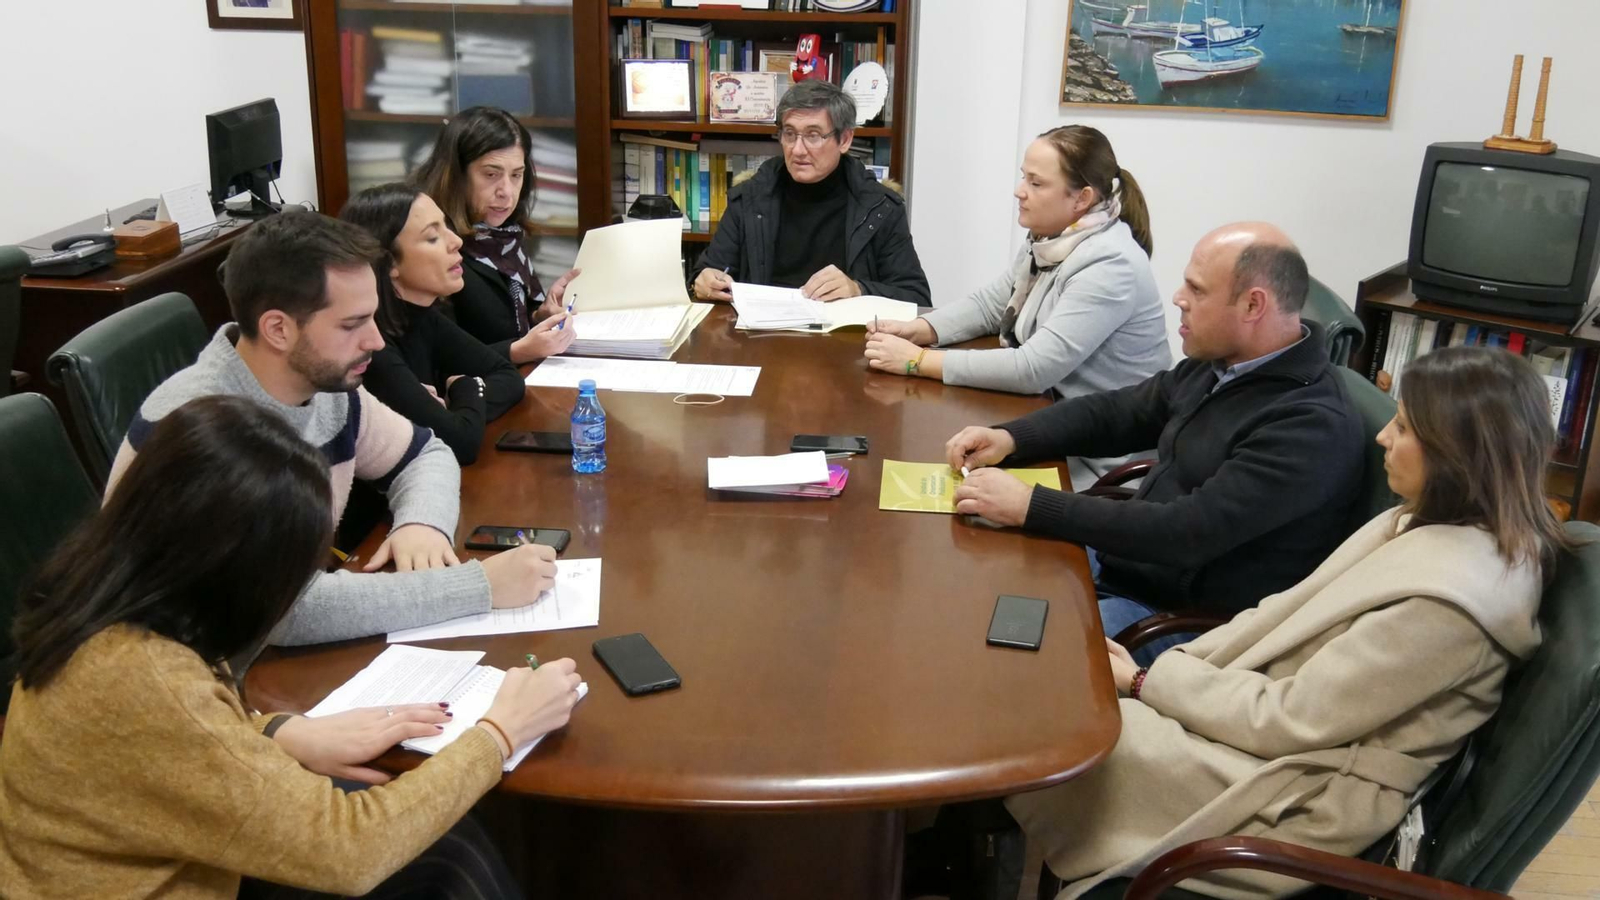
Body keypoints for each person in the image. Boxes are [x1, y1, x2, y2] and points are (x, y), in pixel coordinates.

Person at [996, 345, 1569, 900]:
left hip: (1297, 792)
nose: (1382, 437)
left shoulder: (1448, 606)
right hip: (1268, 730)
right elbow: (1282, 615)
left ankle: (970, 853)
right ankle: (978, 844)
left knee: (1046, 721)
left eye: (1403, 428)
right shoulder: (1424, 522)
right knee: (1043, 697)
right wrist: (1178, 669)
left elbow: (1295, 721)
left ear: (1457, 453)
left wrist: (1150, 681)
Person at [0, 395, 585, 899]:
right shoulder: (141, 676)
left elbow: (156, 752)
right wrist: (501, 732)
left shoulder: (106, 600)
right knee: (445, 858)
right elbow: (352, 852)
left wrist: (276, 732)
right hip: (176, 879)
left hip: (179, 859)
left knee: (446, 846)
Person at [110, 211, 557, 647]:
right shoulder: (202, 431)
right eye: (352, 324)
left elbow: (425, 453)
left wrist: (422, 523)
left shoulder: (322, 383)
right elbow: (284, 613)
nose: (375, 341)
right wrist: (477, 587)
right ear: (278, 329)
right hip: (202, 667)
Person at [944, 223, 1365, 656]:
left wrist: (1031, 506)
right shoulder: (1226, 363)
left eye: (1197, 290)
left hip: (1181, 618)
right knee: (976, 582)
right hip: (1130, 566)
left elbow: (1185, 532)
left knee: (1008, 653)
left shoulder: (1309, 426)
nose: (1179, 298)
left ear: (1253, 305)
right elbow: (1122, 412)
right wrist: (1013, 437)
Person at [864, 126, 1169, 404]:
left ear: (1082, 198)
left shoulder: (1110, 264)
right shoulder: (1049, 237)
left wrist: (916, 361)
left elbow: (1033, 369)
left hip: (1107, 439)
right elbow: (991, 306)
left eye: (1036, 183)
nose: (1019, 190)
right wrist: (919, 330)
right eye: (1024, 177)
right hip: (1057, 409)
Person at [688, 79, 930, 305]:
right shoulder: (751, 197)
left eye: (813, 136)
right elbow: (707, 273)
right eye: (789, 134)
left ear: (845, 140)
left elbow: (916, 298)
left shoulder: (879, 207)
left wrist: (858, 290)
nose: (798, 150)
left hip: (845, 334)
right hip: (761, 332)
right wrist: (704, 280)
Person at [340, 183, 526, 465]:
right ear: (389, 263)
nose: (456, 241)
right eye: (432, 237)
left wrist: (455, 409)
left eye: (447, 227)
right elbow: (460, 443)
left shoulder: (423, 315)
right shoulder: (371, 345)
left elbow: (508, 376)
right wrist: (467, 390)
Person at [414, 105, 579, 364]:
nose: (506, 192)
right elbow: (439, 360)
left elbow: (508, 324)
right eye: (491, 174)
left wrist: (540, 316)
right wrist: (519, 350)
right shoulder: (433, 246)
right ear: (456, 175)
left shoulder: (504, 236)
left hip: (515, 377)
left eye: (516, 175)